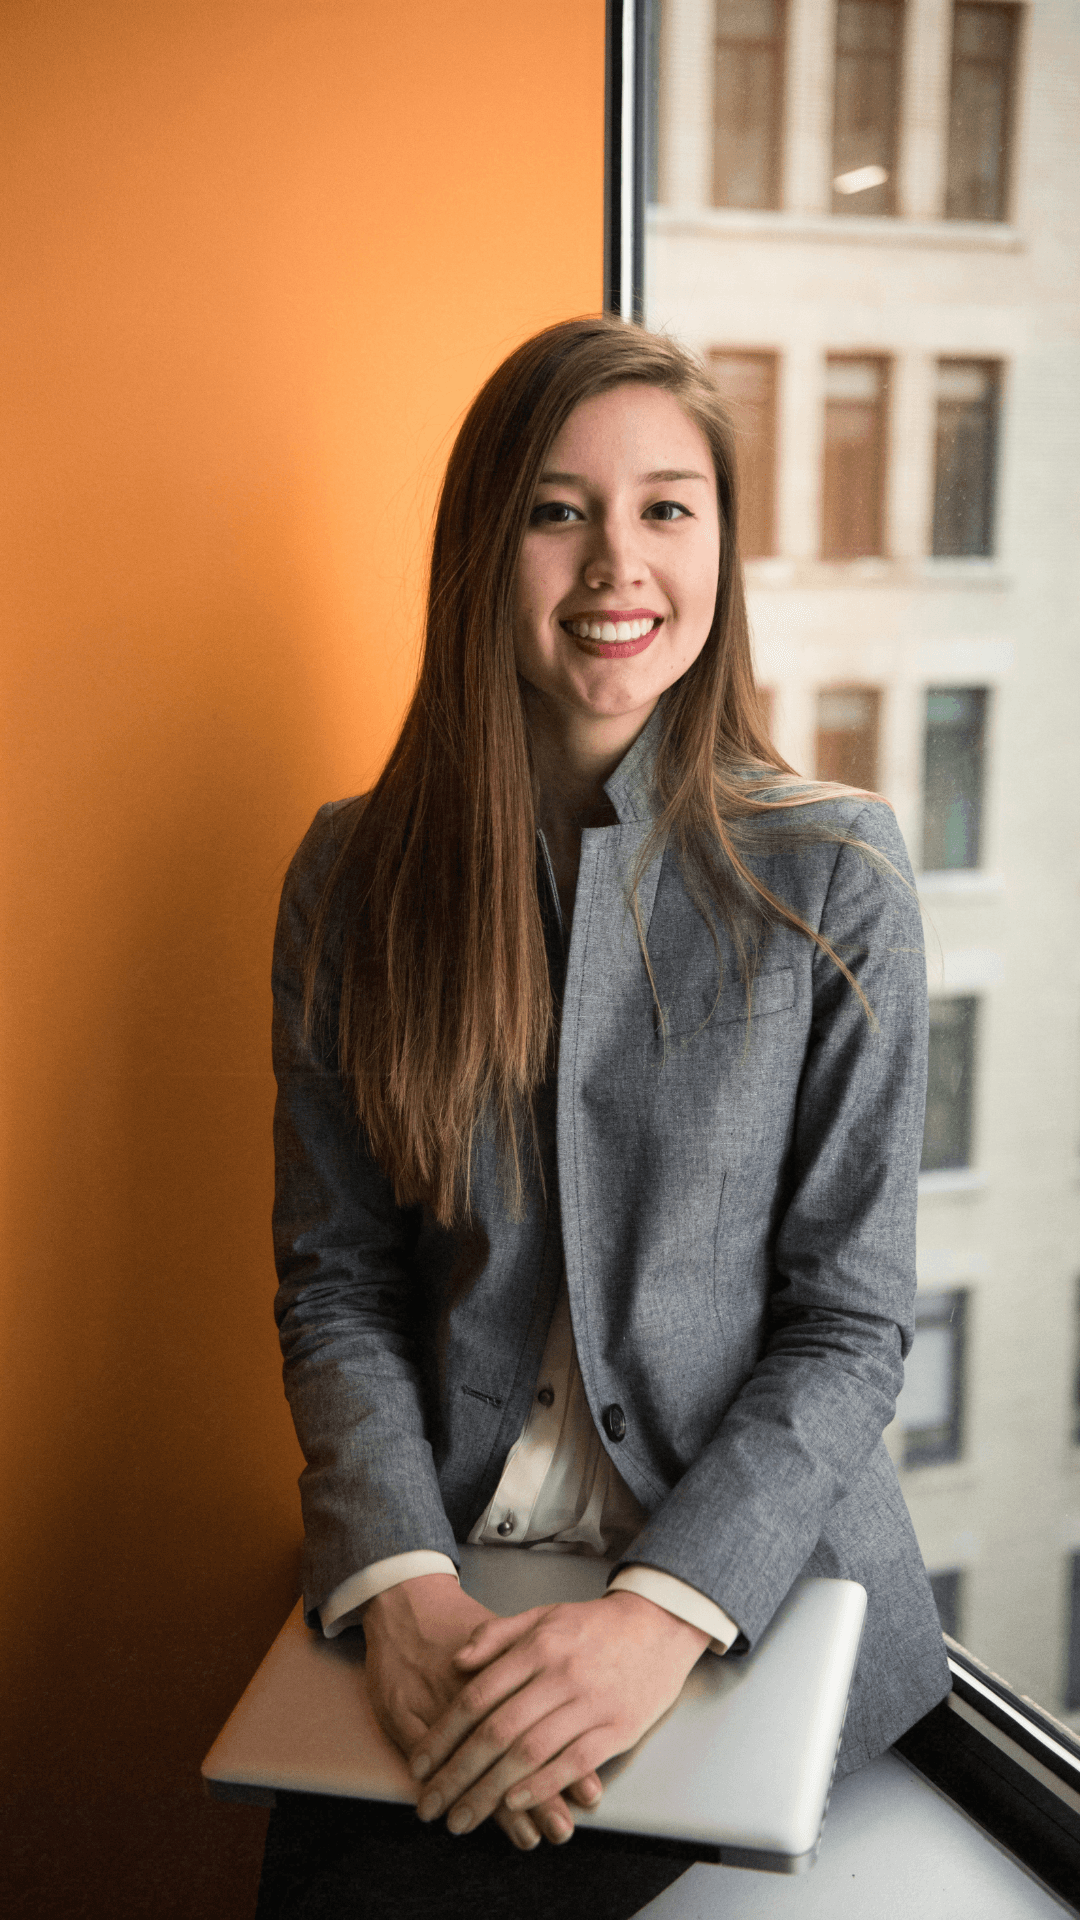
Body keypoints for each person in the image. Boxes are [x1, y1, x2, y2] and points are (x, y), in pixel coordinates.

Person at [260, 316, 950, 1917]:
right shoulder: (350, 876)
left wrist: (660, 1614)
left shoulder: (837, 870)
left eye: (667, 509)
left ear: (719, 548)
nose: (616, 565)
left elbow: (850, 1325)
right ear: (482, 550)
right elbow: (337, 1283)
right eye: (558, 511)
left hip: (738, 1598)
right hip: (453, 1579)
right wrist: (402, 1587)